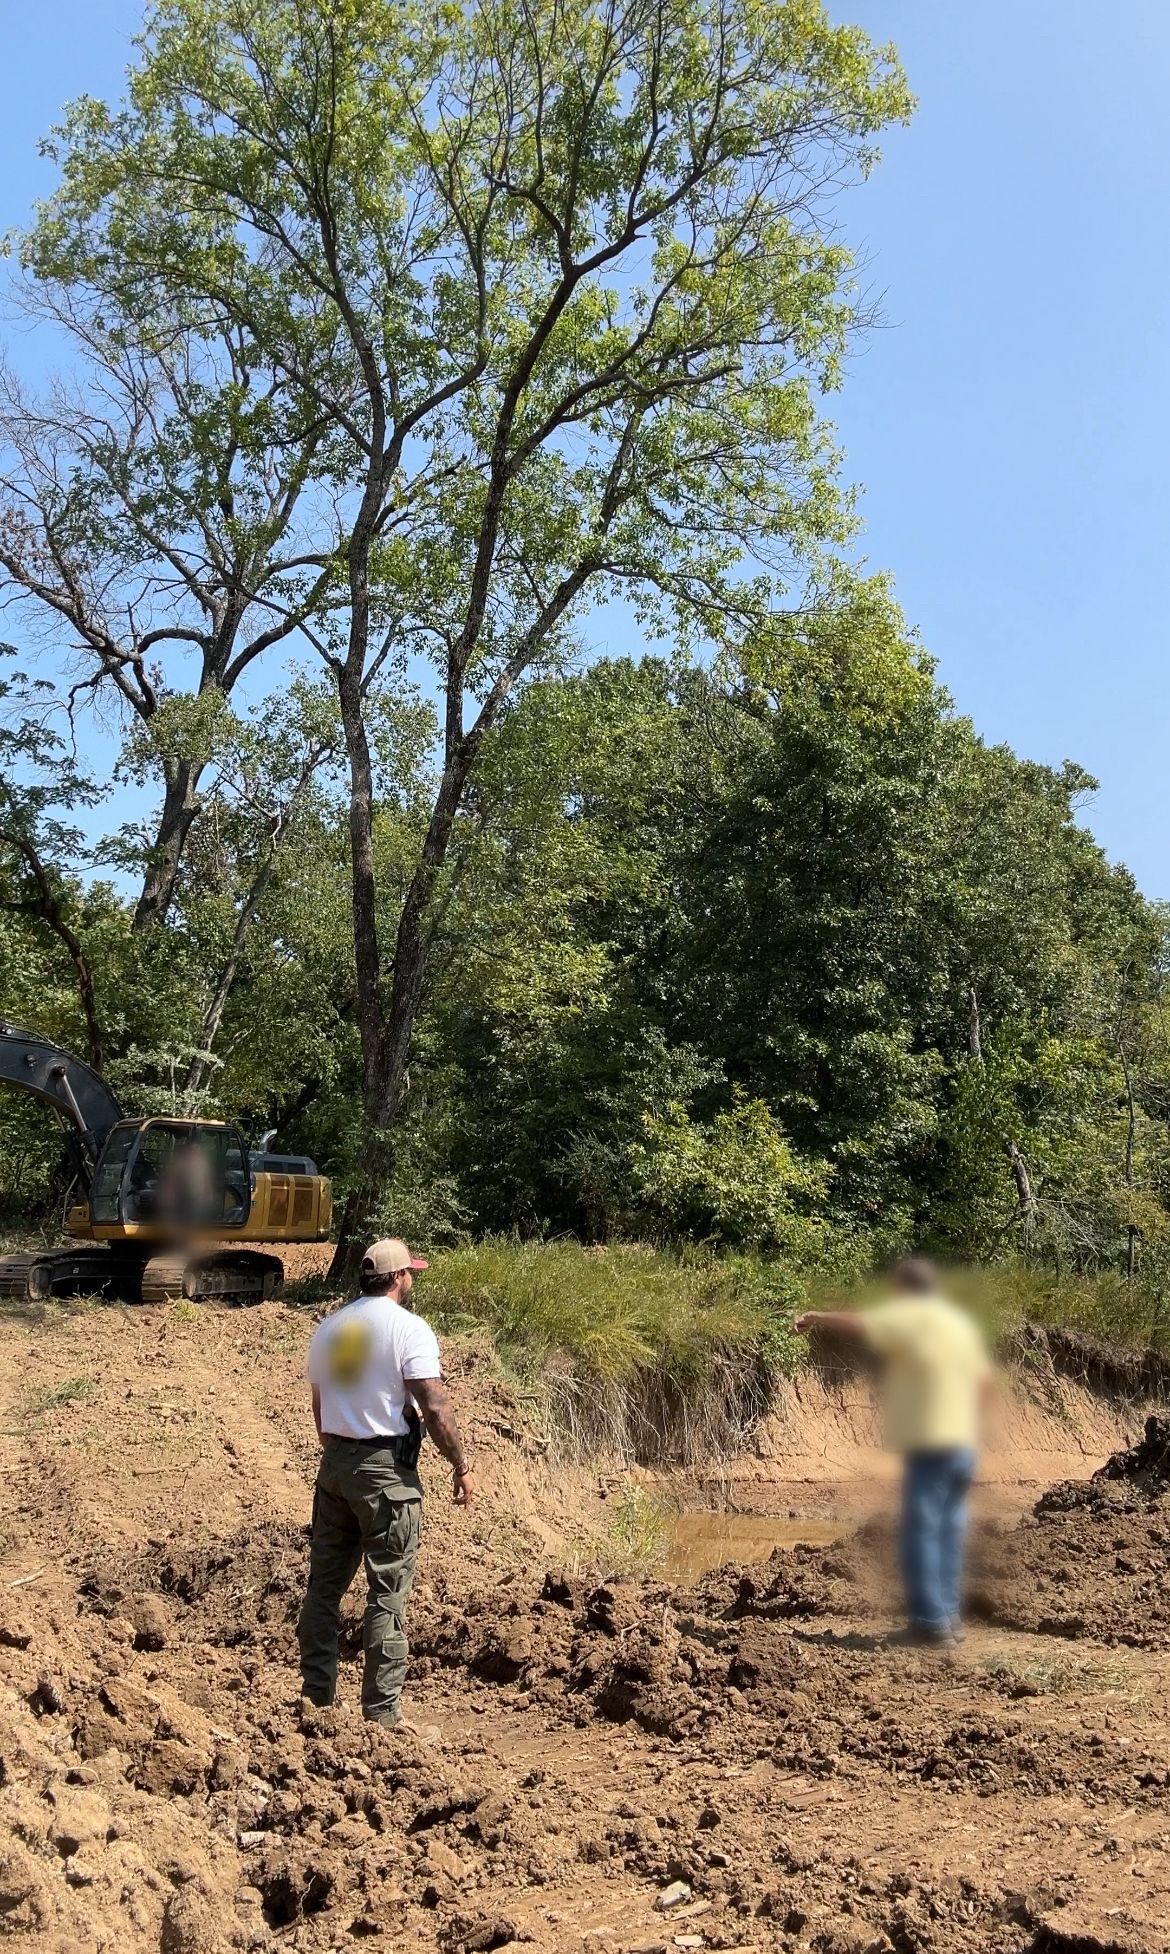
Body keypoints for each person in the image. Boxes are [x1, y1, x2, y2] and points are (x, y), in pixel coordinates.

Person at [297, 1237, 474, 1729]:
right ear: (397, 1278)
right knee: (387, 1593)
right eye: (410, 1273)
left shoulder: (332, 1327)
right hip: (385, 1472)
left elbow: (320, 1404)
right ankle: (382, 1717)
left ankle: (315, 1703)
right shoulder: (407, 1329)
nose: (412, 1279)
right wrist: (460, 1463)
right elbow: (433, 1404)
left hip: (334, 1465)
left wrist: (339, 1454)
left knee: (323, 1590)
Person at [795, 1257, 992, 1648]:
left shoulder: (913, 1318)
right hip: (964, 1445)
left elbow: (861, 1323)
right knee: (949, 1532)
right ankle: (948, 1618)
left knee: (920, 1533)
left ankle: (928, 1625)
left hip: (931, 1444)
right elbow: (984, 1382)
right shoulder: (959, 1325)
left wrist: (815, 1315)